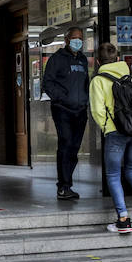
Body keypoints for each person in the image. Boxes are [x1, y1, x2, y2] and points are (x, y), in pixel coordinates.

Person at [89, 42, 132, 234]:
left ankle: (123, 219)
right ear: (118, 59)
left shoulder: (98, 81)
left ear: (97, 62)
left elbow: (97, 110)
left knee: (113, 175)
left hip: (115, 132)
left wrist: (106, 127)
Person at [41, 27, 90, 201]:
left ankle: (67, 185)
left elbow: (86, 83)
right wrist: (62, 98)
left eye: (81, 38)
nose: (79, 41)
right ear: (67, 39)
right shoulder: (57, 59)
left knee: (74, 148)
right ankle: (63, 186)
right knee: (66, 144)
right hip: (63, 110)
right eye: (75, 38)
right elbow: (47, 83)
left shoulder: (83, 60)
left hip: (80, 111)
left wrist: (85, 101)